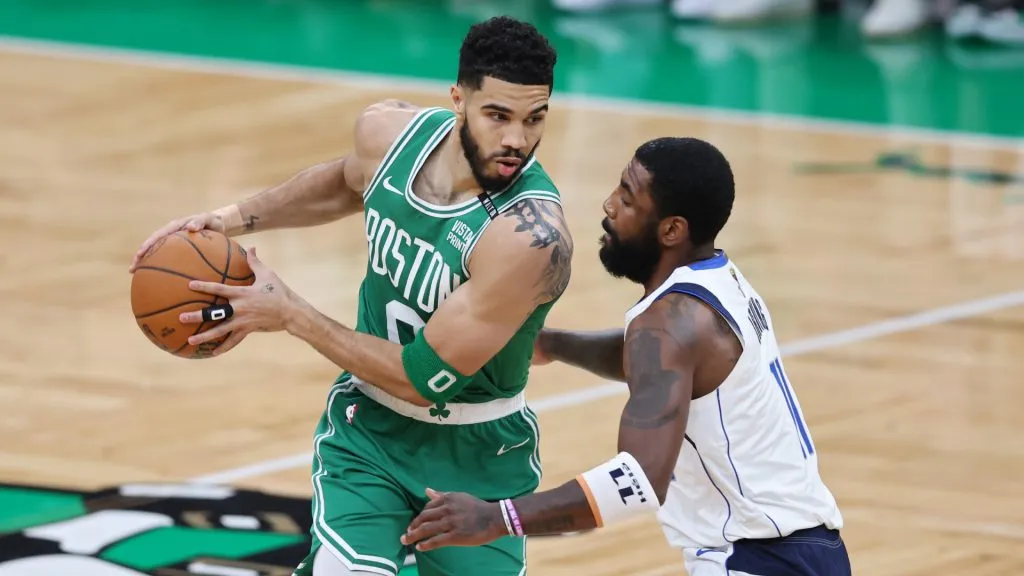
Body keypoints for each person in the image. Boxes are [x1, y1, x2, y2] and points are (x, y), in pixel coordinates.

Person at [128, 16, 570, 576]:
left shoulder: (528, 238)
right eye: (498, 115)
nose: (517, 140)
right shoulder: (390, 135)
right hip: (372, 431)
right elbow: (347, 181)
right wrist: (228, 220)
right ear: (459, 98)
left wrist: (290, 312)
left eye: (535, 119)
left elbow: (420, 375)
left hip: (478, 449)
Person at [400, 137, 852, 576]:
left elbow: (637, 482)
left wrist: (497, 519)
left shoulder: (670, 323)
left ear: (672, 229)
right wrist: (553, 344)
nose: (609, 205)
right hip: (811, 549)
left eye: (629, 199)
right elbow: (658, 364)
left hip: (756, 558)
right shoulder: (718, 283)